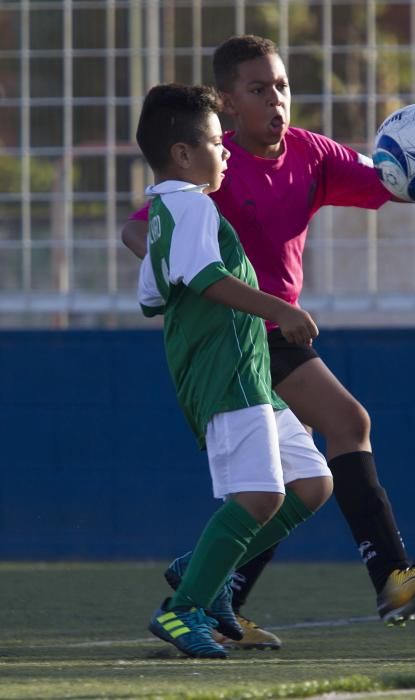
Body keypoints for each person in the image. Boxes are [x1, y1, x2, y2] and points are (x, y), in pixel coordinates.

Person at [123, 35, 415, 650]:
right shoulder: (208, 167)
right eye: (258, 89)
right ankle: (391, 577)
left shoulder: (310, 156)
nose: (276, 100)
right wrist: (182, 278)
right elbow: (143, 233)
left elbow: (401, 180)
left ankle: (216, 592)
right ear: (230, 105)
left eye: (282, 86)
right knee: (345, 424)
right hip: (249, 335)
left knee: (303, 483)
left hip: (276, 331)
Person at [135, 81, 333, 659]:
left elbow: (152, 295)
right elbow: (204, 281)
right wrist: (280, 309)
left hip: (250, 374)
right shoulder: (192, 203)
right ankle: (182, 610)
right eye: (218, 143)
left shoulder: (167, 211)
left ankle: (203, 571)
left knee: (313, 484)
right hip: (228, 376)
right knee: (259, 496)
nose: (226, 152)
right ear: (183, 154)